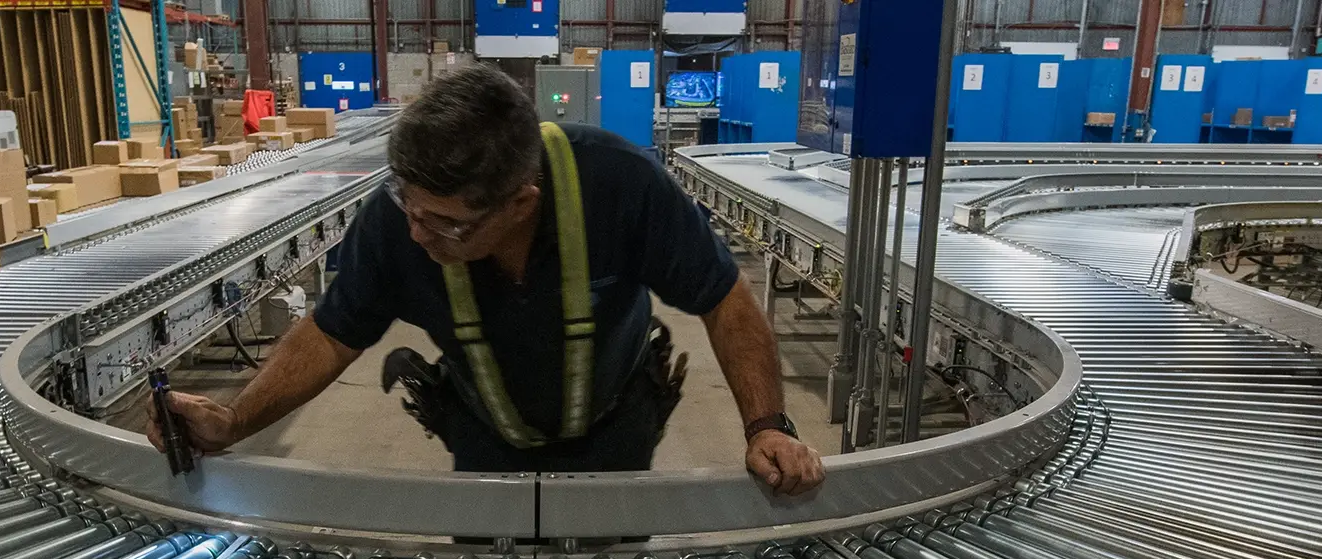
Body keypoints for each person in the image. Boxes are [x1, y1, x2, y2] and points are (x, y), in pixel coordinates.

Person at [150, 65, 826, 496]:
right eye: (410, 207)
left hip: (615, 425)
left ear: (520, 204)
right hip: (482, 431)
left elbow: (725, 300)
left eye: (447, 225)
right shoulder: (400, 220)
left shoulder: (622, 186)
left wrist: (766, 427)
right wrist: (234, 420)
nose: (419, 234)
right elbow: (331, 334)